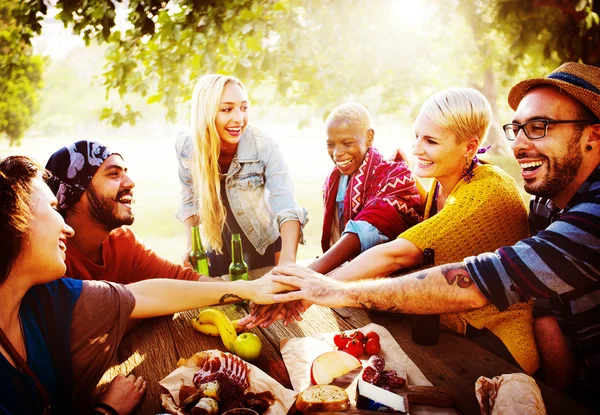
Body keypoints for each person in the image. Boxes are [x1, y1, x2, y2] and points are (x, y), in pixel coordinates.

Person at [267, 62, 600, 407]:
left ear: (470, 147)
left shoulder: (494, 193)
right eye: (517, 129)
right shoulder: (543, 202)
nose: (519, 143)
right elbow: (548, 299)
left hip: (498, 340)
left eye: (540, 127)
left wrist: (322, 289)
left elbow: (404, 254)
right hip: (463, 329)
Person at [249, 89, 538, 374]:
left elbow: (397, 254)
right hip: (445, 327)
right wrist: (308, 286)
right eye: (416, 136)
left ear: (469, 146)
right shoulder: (441, 184)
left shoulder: (486, 191)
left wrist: (310, 290)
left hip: (495, 342)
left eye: (431, 141)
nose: (416, 149)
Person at [0, 155, 292, 415]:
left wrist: (248, 289)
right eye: (52, 207)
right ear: (15, 222)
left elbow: (144, 294)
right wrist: (106, 410)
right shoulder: (52, 290)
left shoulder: (47, 297)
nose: (66, 226)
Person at [248, 103, 422, 325]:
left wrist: (298, 280)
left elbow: (362, 232)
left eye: (347, 143)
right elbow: (337, 238)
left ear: (369, 137)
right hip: (346, 287)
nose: (338, 153)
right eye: (331, 145)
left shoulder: (396, 175)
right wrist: (304, 282)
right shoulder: (335, 179)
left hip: (393, 296)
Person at [176, 74, 307, 276]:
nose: (239, 118)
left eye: (244, 108)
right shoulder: (187, 147)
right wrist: (191, 246)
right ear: (206, 113)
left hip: (262, 245)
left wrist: (288, 262)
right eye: (227, 109)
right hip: (217, 246)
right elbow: (189, 201)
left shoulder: (264, 146)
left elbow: (287, 205)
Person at [45, 140, 210, 283]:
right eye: (114, 174)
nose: (130, 183)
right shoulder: (50, 256)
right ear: (75, 191)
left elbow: (183, 280)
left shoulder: (122, 241)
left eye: (125, 173)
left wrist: (234, 287)